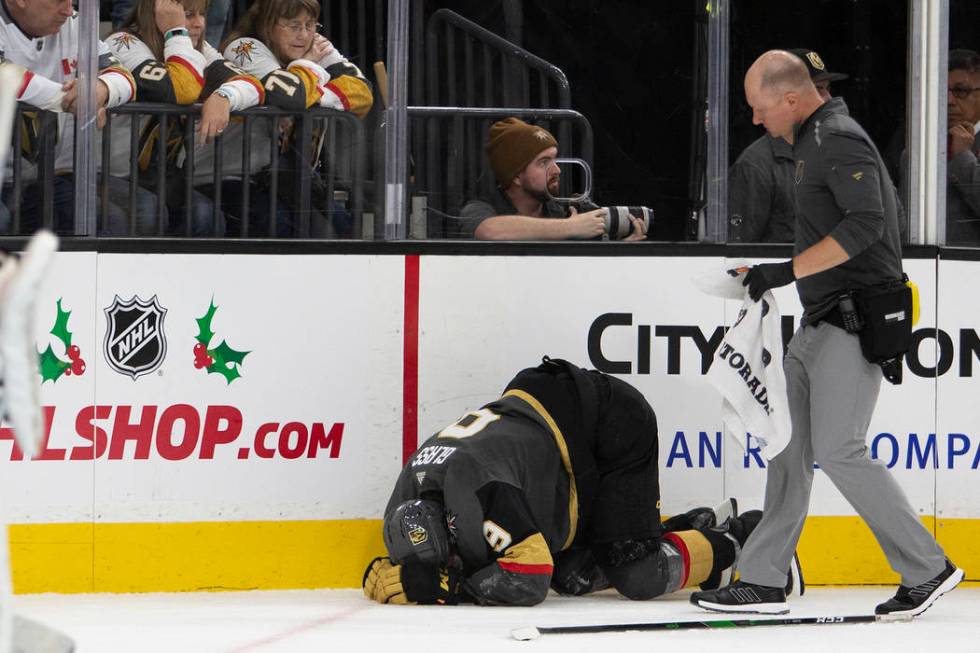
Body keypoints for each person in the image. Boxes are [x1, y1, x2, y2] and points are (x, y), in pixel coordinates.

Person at [691, 50, 963, 617]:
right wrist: (774, 277)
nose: (756, 119)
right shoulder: (809, 144)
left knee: (840, 449)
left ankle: (928, 567)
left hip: (852, 320)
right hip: (820, 321)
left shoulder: (836, 139)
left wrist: (783, 272)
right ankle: (764, 580)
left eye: (759, 107)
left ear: (791, 99)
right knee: (788, 445)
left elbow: (868, 224)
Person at [362, 357, 792, 607]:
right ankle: (692, 524)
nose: (457, 562)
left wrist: (447, 587)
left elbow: (530, 576)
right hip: (551, 427)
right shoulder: (409, 497)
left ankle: (746, 540)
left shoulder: (479, 492)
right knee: (573, 574)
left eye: (454, 557)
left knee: (637, 574)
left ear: (452, 521)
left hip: (607, 421)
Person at [0, 0, 165, 235]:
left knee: (113, 218)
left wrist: (100, 90)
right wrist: (73, 101)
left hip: (39, 178)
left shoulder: (74, 24)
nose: (68, 9)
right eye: (59, 1)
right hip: (9, 179)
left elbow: (125, 80)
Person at [107, 0, 264, 236]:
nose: (199, 23)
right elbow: (181, 89)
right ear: (156, 14)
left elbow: (254, 86)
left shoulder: (199, 50)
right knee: (147, 211)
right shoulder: (122, 43)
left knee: (206, 215)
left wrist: (224, 96)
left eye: (202, 14)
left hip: (160, 177)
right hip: (106, 173)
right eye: (188, 15)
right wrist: (175, 32)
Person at [218, 0, 373, 237]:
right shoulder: (243, 47)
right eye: (293, 26)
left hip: (277, 177)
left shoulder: (314, 45)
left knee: (342, 225)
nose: (303, 35)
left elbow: (363, 92)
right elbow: (291, 96)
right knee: (276, 221)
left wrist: (314, 94)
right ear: (268, 25)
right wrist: (309, 67)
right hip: (222, 175)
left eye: (310, 25)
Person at [457, 118, 647, 241]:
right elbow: (489, 231)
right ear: (515, 176)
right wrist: (570, 227)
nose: (556, 170)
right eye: (543, 163)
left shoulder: (566, 211)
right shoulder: (480, 208)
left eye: (555, 160)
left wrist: (622, 249)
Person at [728, 48, 848, 243]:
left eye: (827, 88)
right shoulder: (756, 165)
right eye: (817, 89)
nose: (827, 98)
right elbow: (738, 252)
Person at [945, 48, 980, 245]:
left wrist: (963, 157)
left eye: (961, 91)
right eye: (942, 91)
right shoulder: (916, 135)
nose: (949, 101)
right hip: (920, 263)